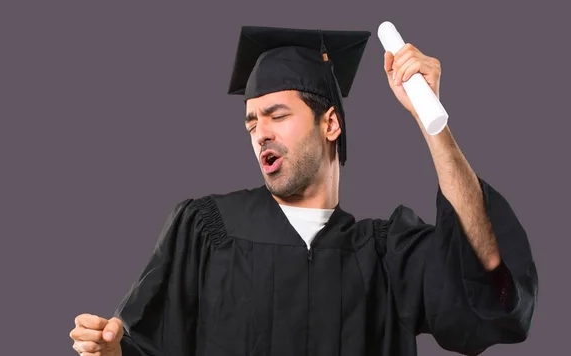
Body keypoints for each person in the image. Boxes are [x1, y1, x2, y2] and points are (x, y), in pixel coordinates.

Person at [69, 26, 538, 356]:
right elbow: (150, 346)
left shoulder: (386, 256)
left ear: (330, 123)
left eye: (277, 115)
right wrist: (112, 353)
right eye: (251, 122)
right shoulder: (206, 230)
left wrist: (430, 121)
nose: (260, 133)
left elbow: (485, 276)